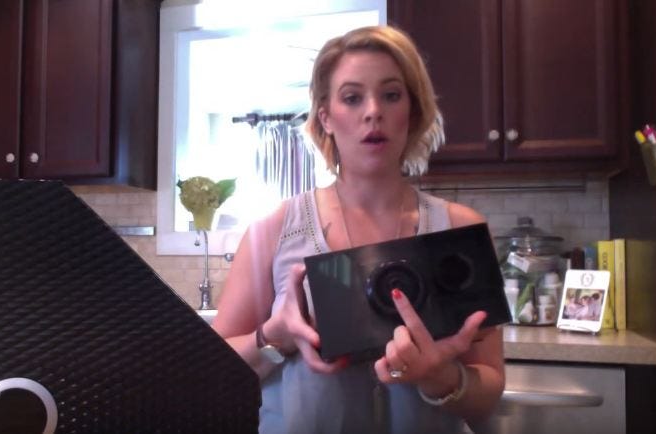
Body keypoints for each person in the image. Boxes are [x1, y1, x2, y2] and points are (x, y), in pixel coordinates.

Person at [212, 25, 505, 433]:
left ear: (412, 111)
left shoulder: (461, 231)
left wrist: (439, 377)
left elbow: (489, 391)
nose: (373, 112)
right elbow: (215, 370)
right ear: (326, 118)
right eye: (352, 97)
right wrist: (274, 336)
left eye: (391, 95)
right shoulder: (273, 230)